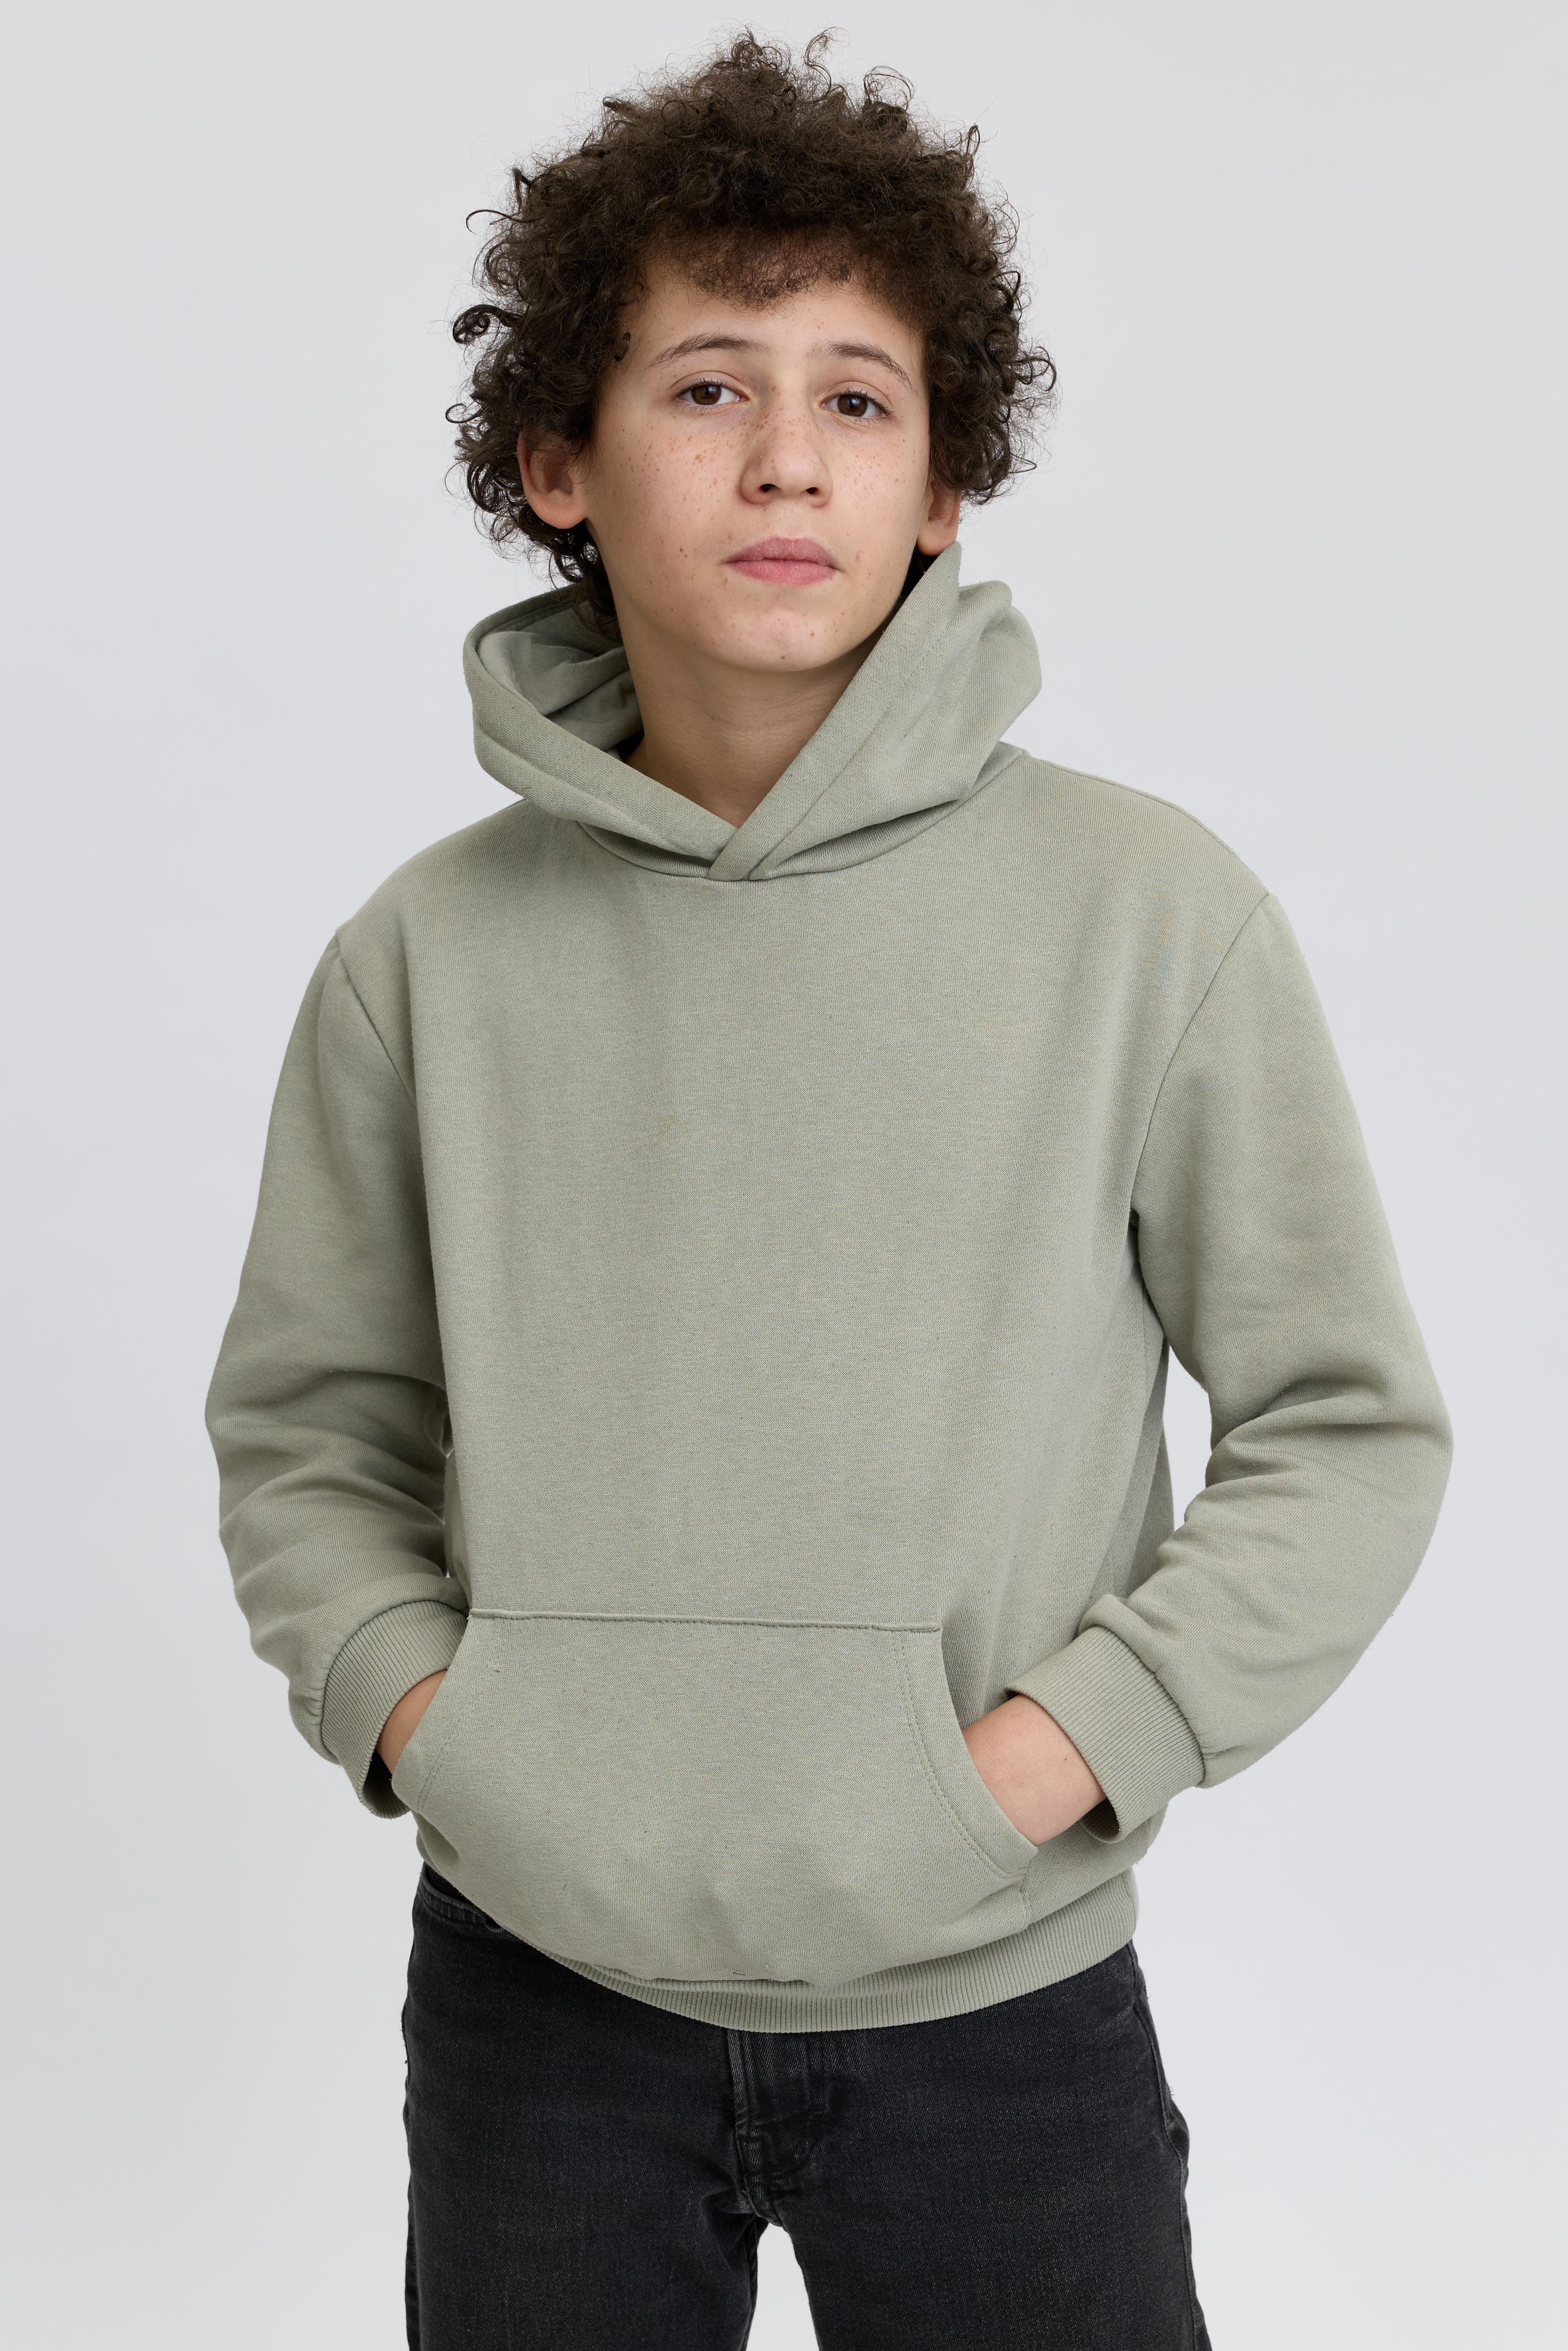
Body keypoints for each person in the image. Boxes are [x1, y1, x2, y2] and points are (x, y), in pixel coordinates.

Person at [206, 33, 1451, 2351]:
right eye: (708, 387)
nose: (787, 456)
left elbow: (1347, 1426)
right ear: (557, 462)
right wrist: (436, 1719)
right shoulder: (423, 959)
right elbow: (309, 1431)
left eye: (860, 400)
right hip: (540, 2004)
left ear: (947, 479)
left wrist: (1051, 1757)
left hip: (1000, 1998)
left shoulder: (1151, 918)